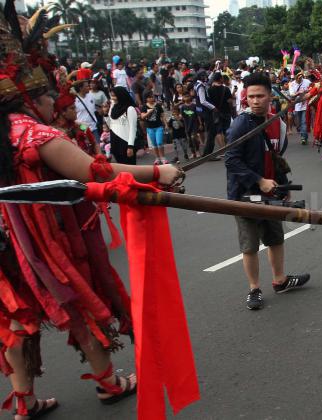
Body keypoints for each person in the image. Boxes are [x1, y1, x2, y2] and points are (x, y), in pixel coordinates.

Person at [0, 11, 184, 416]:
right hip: (45, 243)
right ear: (31, 98)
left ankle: (24, 403)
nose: (55, 103)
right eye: (50, 96)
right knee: (81, 305)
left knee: (16, 321)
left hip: (7, 247)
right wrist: (158, 172)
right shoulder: (32, 133)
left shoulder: (7, 133)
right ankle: (108, 383)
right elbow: (95, 171)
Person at [224, 72, 310, 310]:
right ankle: (254, 289)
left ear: (270, 96)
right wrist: (259, 180)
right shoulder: (240, 125)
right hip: (244, 196)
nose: (255, 101)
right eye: (251, 96)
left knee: (275, 239)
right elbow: (231, 160)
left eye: (260, 96)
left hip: (270, 195)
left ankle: (280, 280)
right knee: (250, 245)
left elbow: (275, 157)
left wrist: (282, 185)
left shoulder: (278, 124)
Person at [106, 86, 139, 165]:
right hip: (115, 142)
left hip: (126, 142)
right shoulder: (113, 107)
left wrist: (130, 146)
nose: (112, 98)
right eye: (111, 96)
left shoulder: (130, 109)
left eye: (114, 96)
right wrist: (106, 114)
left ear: (121, 95)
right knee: (122, 167)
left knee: (130, 167)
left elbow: (133, 129)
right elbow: (110, 125)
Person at [140, 92, 168, 165]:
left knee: (159, 142)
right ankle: (157, 158)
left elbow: (162, 115)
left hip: (159, 126)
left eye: (152, 97)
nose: (152, 98)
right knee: (154, 144)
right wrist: (149, 112)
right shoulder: (144, 107)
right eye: (150, 97)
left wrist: (166, 124)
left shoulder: (158, 105)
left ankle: (163, 158)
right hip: (150, 128)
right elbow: (142, 116)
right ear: (146, 99)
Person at [289, 72, 311, 145]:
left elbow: (312, 88)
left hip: (306, 105)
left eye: (301, 77)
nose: (300, 78)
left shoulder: (307, 81)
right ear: (295, 76)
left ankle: (303, 137)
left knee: (304, 121)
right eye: (298, 77)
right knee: (298, 123)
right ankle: (303, 135)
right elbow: (292, 95)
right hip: (297, 105)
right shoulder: (292, 84)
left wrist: (308, 91)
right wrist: (298, 93)